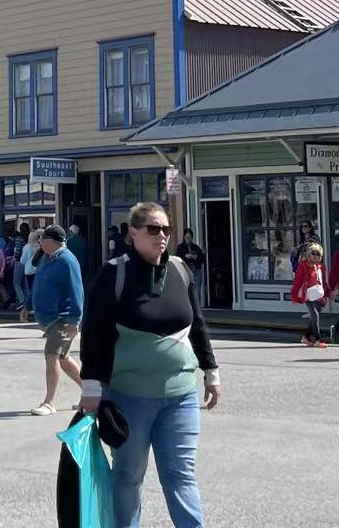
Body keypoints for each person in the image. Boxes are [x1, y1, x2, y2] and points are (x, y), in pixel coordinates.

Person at [80, 200, 220, 528]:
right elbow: (94, 333)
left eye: (166, 229)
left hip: (180, 395)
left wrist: (211, 371)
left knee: (181, 474)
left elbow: (197, 324)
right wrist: (91, 386)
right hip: (129, 395)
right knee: (128, 475)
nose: (162, 236)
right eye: (153, 229)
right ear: (133, 233)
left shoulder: (180, 270)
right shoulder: (114, 273)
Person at [29, 223, 86, 415]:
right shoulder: (46, 258)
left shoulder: (66, 260)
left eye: (43, 238)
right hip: (49, 318)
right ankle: (92, 392)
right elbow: (38, 283)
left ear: (54, 241)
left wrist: (75, 320)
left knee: (51, 355)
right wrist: (27, 304)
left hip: (62, 318)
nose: (40, 241)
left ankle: (49, 402)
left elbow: (76, 290)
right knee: (63, 358)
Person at [291, 241, 329, 347]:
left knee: (315, 316)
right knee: (315, 315)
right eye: (313, 253)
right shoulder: (303, 266)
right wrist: (294, 295)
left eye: (318, 254)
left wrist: (325, 295)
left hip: (318, 294)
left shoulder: (321, 267)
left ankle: (307, 337)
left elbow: (323, 281)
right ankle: (318, 340)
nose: (315, 256)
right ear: (308, 254)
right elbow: (297, 281)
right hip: (308, 294)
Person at [176, 228, 207, 309]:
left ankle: (197, 308)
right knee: (187, 290)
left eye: (190, 238)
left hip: (196, 270)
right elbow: (178, 259)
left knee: (197, 290)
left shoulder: (196, 247)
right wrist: (186, 257)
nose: (188, 239)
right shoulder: (180, 247)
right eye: (187, 238)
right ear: (184, 237)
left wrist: (197, 257)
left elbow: (202, 259)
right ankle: (188, 308)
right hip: (186, 271)